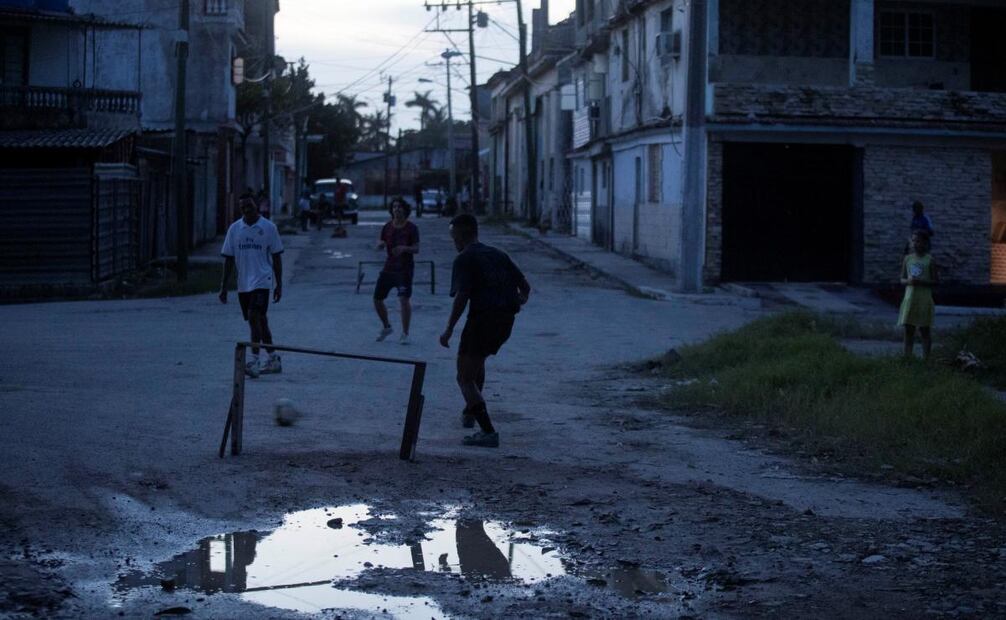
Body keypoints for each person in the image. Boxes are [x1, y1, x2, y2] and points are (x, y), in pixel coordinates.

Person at [440, 214, 531, 448]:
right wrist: (519, 300)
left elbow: (462, 297)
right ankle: (470, 412)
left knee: (464, 376)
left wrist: (448, 329)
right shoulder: (498, 254)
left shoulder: (464, 259)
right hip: (505, 322)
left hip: (482, 320)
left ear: (461, 235)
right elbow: (525, 286)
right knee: (478, 361)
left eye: (454, 237)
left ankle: (488, 431)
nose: (453, 243)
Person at [219, 195, 284, 378]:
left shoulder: (269, 228)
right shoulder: (235, 229)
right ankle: (273, 358)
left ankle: (254, 361)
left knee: (254, 316)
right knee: (260, 322)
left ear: (257, 206)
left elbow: (277, 257)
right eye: (243, 208)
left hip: (262, 280)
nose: (246, 210)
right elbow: (229, 259)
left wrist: (279, 285)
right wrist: (223, 286)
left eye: (249, 206)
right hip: (243, 284)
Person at [374, 197, 420, 344]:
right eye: (394, 207)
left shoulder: (411, 228)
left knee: (404, 300)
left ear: (405, 210)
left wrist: (404, 248)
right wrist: (380, 244)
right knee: (377, 299)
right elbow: (381, 241)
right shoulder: (387, 227)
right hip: (389, 268)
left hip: (404, 269)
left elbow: (417, 248)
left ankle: (405, 333)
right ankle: (386, 326)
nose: (397, 209)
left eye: (399, 207)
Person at [898, 231, 938, 360]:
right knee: (908, 330)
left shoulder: (929, 260)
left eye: (918, 241)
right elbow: (902, 279)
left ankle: (926, 359)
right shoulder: (908, 259)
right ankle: (907, 358)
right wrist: (909, 281)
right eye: (913, 241)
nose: (915, 244)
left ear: (925, 243)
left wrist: (921, 282)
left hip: (924, 299)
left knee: (924, 330)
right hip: (910, 298)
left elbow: (936, 281)